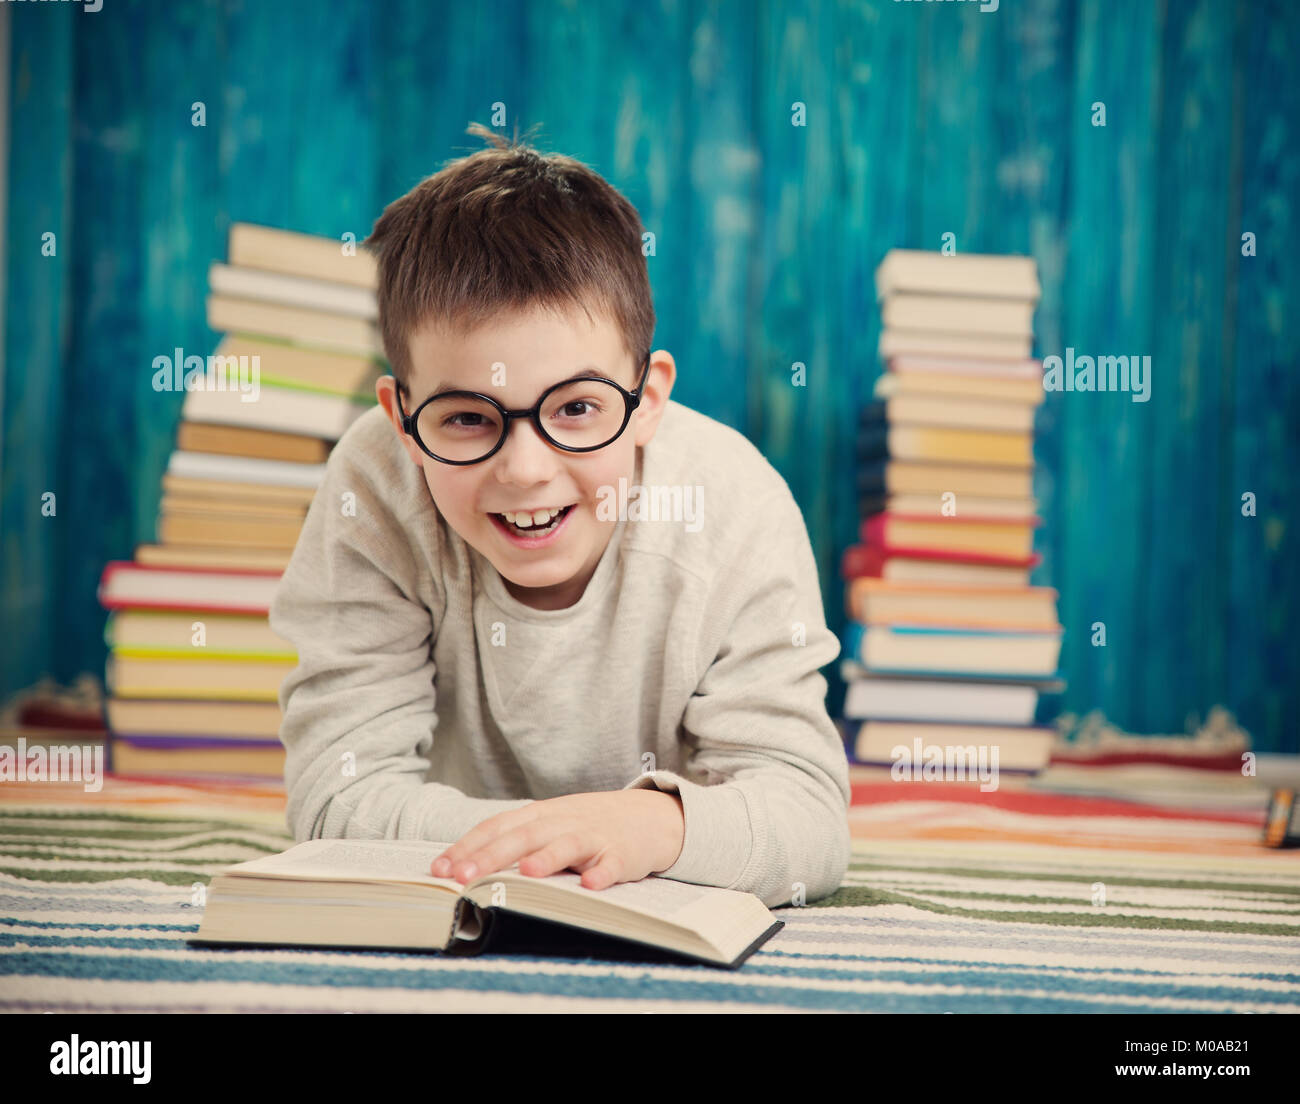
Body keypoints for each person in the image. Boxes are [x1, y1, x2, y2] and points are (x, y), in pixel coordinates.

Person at [268, 123, 850, 909]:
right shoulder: (372, 488)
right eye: (467, 417)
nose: (527, 470)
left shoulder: (735, 505)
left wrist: (649, 828)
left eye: (576, 407)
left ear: (647, 401)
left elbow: (809, 821)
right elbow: (336, 795)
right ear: (402, 419)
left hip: (600, 873)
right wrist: (564, 838)